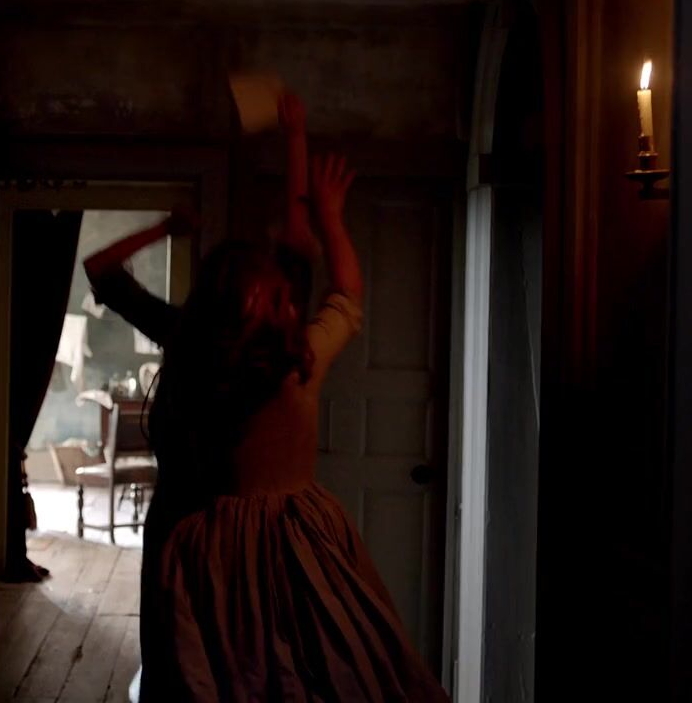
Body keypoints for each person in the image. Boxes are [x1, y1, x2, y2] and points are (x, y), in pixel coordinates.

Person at [84, 94, 448, 702]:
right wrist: (326, 205)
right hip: (251, 544)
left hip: (203, 542)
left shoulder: (205, 343)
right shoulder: (290, 358)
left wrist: (170, 227)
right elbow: (342, 287)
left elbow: (100, 268)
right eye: (274, 295)